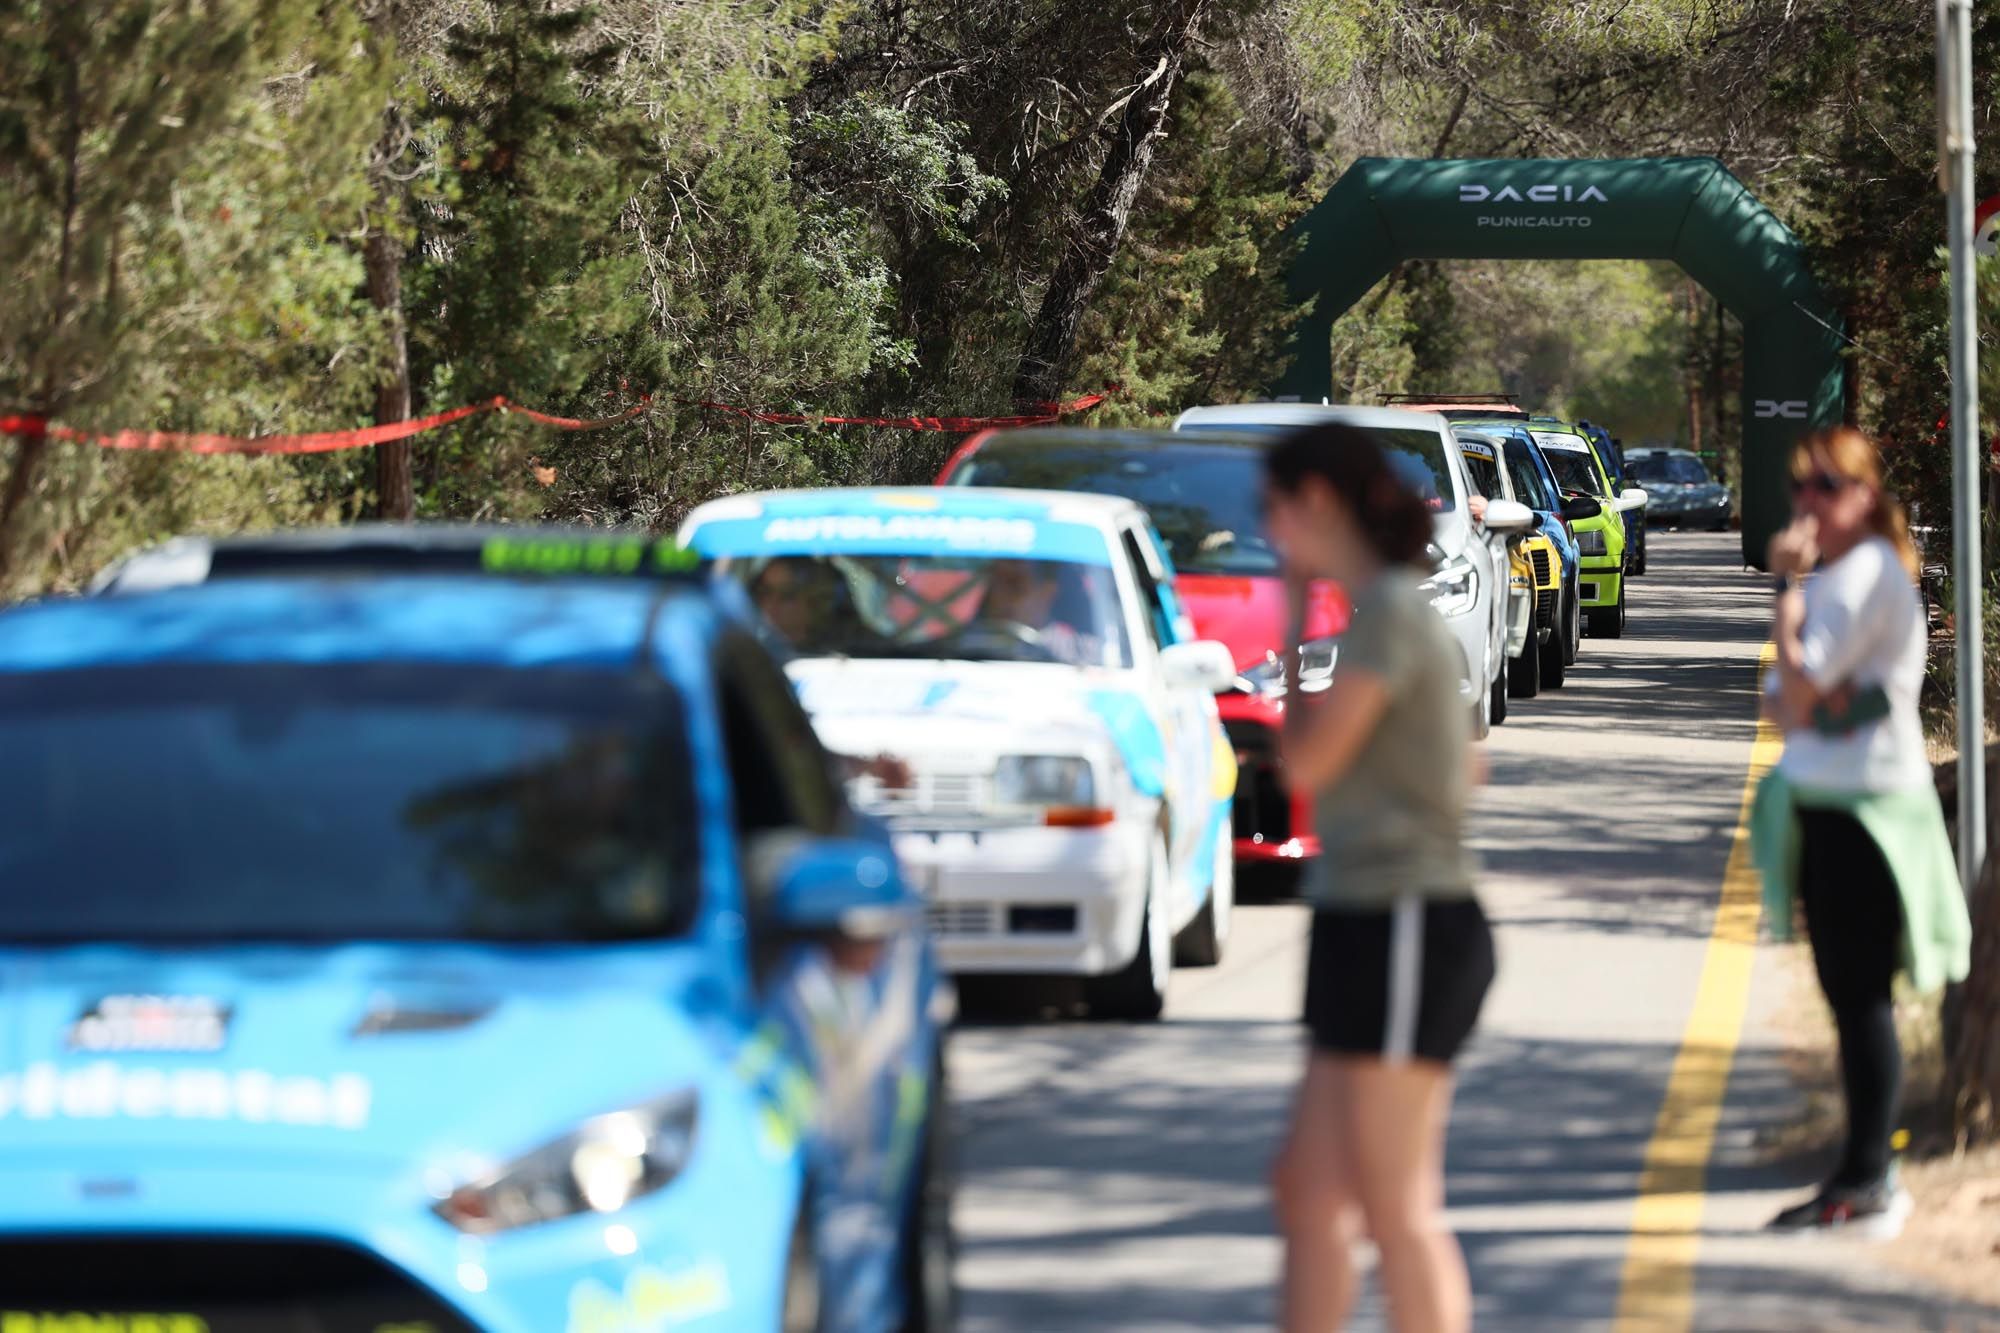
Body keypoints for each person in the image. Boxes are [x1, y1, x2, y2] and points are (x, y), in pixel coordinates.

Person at [1265, 422, 1494, 1333]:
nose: (1271, 531)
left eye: (1274, 510)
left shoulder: (1392, 613)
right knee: (1308, 1192)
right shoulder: (1384, 614)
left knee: (1398, 1205)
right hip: (1363, 915)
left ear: (1317, 502)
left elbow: (1306, 764)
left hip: (1409, 921)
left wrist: (1288, 617)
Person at [1752, 427, 1971, 1238]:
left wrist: (1785, 587)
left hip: (1864, 813)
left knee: (1861, 997)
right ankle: (1861, 1171)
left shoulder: (1863, 573)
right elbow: (1787, 700)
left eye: (1828, 485)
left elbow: (1797, 695)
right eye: (1802, 484)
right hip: (1839, 805)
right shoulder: (1848, 576)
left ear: (1865, 497)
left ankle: (1872, 1179)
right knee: (1851, 998)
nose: (1809, 500)